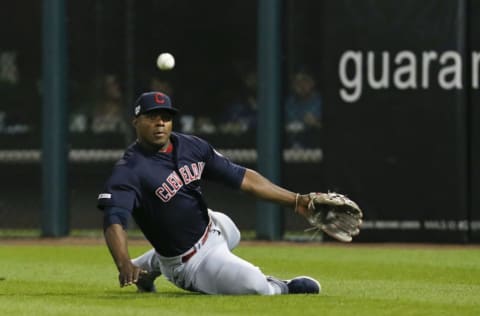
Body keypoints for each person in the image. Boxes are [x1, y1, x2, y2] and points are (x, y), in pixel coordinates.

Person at [97, 91, 321, 295]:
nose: (160, 123)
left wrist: (296, 200)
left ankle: (148, 266)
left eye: (165, 117)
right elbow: (114, 219)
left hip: (212, 228)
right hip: (189, 263)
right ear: (135, 121)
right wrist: (123, 263)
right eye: (151, 117)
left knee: (231, 229)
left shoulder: (191, 146)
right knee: (256, 286)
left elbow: (244, 178)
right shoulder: (129, 170)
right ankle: (281, 286)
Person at [284, 70, 322, 148]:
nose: (300, 85)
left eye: (304, 80)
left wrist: (316, 123)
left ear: (312, 83)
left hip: (315, 149)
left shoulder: (320, 102)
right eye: (296, 81)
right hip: (291, 148)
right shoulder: (289, 102)